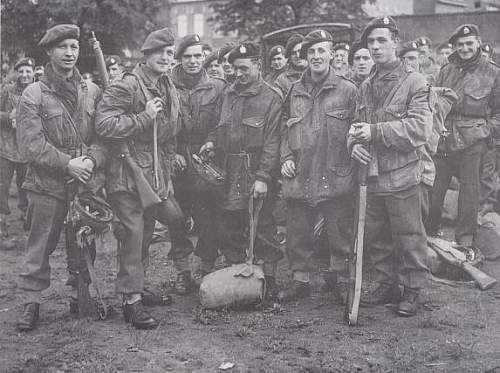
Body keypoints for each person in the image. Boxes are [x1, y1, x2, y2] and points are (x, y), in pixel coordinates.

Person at [95, 27, 194, 329]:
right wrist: (142, 118)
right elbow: (103, 124)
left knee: (148, 232)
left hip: (153, 174)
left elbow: (169, 135)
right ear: (146, 55)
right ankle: (130, 302)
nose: (166, 57)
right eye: (160, 52)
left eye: (169, 53)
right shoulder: (127, 86)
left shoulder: (167, 85)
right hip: (126, 174)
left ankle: (139, 287)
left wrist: (166, 173)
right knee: (133, 234)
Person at [15, 24, 106, 331]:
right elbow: (31, 146)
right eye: (63, 48)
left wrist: (91, 159)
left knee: (84, 243)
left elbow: (102, 136)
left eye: (74, 47)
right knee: (40, 245)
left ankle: (80, 293)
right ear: (50, 52)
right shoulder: (34, 94)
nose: (70, 53)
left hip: (84, 183)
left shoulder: (90, 90)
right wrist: (69, 163)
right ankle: (32, 302)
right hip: (47, 185)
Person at [349, 16, 433, 317]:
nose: (375, 47)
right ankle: (386, 284)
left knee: (409, 235)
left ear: (396, 42)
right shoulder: (365, 85)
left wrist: (375, 132)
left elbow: (419, 130)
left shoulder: (415, 82)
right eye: (370, 42)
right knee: (377, 237)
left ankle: (413, 290)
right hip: (370, 176)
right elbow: (355, 127)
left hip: (402, 175)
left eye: (381, 40)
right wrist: (355, 144)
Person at [278, 30, 357, 303]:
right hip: (301, 172)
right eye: (311, 52)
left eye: (321, 50)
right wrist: (286, 158)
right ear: (305, 56)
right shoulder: (294, 90)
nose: (316, 56)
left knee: (339, 230)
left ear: (332, 54)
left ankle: (339, 280)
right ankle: (300, 280)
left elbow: (357, 130)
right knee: (297, 230)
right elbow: (282, 128)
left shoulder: (348, 90)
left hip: (335, 172)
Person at [199, 42, 283, 298]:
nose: (238, 74)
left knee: (264, 225)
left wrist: (263, 177)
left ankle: (269, 279)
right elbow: (218, 125)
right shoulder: (228, 94)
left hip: (257, 169)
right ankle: (238, 279)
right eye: (235, 69)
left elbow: (273, 143)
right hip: (229, 170)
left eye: (244, 69)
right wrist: (212, 141)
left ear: (258, 65)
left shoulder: (272, 98)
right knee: (230, 224)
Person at [426, 24, 500, 244]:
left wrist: (485, 132)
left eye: (469, 43)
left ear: (478, 42)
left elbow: (498, 112)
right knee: (434, 189)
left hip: (473, 141)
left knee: (469, 192)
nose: (465, 48)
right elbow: (434, 104)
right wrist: (437, 127)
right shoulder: (446, 70)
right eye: (460, 44)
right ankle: (430, 235)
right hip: (444, 139)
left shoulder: (493, 73)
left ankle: (465, 240)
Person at [170, 34, 225, 279]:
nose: (193, 61)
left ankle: (207, 267)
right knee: (176, 216)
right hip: (176, 159)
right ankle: (182, 270)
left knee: (208, 215)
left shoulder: (218, 86)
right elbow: (161, 124)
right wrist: (171, 152)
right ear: (179, 59)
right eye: (187, 56)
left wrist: (213, 140)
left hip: (206, 160)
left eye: (197, 56)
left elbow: (223, 123)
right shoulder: (167, 84)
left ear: (204, 57)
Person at [0, 57, 34, 243]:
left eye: (28, 71)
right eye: (21, 71)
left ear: (33, 72)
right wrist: (8, 117)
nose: (24, 75)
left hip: (27, 151)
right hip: (5, 149)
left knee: (27, 189)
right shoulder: (7, 91)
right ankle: (1, 226)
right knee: (2, 188)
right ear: (16, 73)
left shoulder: (38, 91)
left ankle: (28, 229)